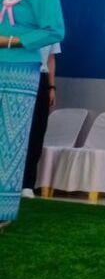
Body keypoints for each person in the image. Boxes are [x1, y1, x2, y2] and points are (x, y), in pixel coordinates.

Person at [0, 0, 65, 232]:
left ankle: (3, 210)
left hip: (20, 71)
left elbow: (54, 31)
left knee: (10, 140)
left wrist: (12, 41)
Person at [21, 43, 60, 198]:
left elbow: (51, 59)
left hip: (41, 78)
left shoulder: (51, 32)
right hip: (18, 73)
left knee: (37, 132)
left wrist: (51, 87)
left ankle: (27, 184)